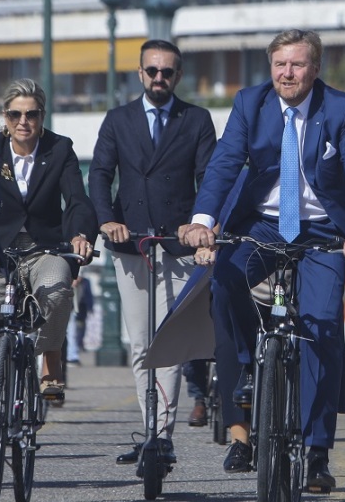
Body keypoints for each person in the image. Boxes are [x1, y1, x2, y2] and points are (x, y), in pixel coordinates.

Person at [181, 28, 345, 494]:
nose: (287, 73)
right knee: (222, 280)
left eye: (297, 65)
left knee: (321, 325)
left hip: (323, 230)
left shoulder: (340, 109)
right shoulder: (250, 103)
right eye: (280, 64)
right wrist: (202, 219)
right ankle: (248, 365)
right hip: (263, 223)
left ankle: (317, 453)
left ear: (315, 69)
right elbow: (224, 162)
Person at [89, 39, 217, 466]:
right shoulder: (117, 119)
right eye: (152, 71)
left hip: (178, 245)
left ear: (178, 76)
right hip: (130, 245)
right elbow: (100, 174)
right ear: (140, 73)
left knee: (168, 343)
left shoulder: (196, 120)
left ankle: (160, 437)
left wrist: (203, 226)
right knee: (141, 342)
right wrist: (106, 220)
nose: (159, 78)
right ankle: (151, 431)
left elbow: (209, 177)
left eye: (167, 72)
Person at [0, 78, 97, 401]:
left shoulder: (59, 148)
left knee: (58, 289)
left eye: (32, 114)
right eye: (15, 115)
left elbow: (77, 198)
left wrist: (80, 234)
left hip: (44, 247)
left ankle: (50, 356)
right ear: (5, 118)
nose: (24, 122)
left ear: (42, 117)